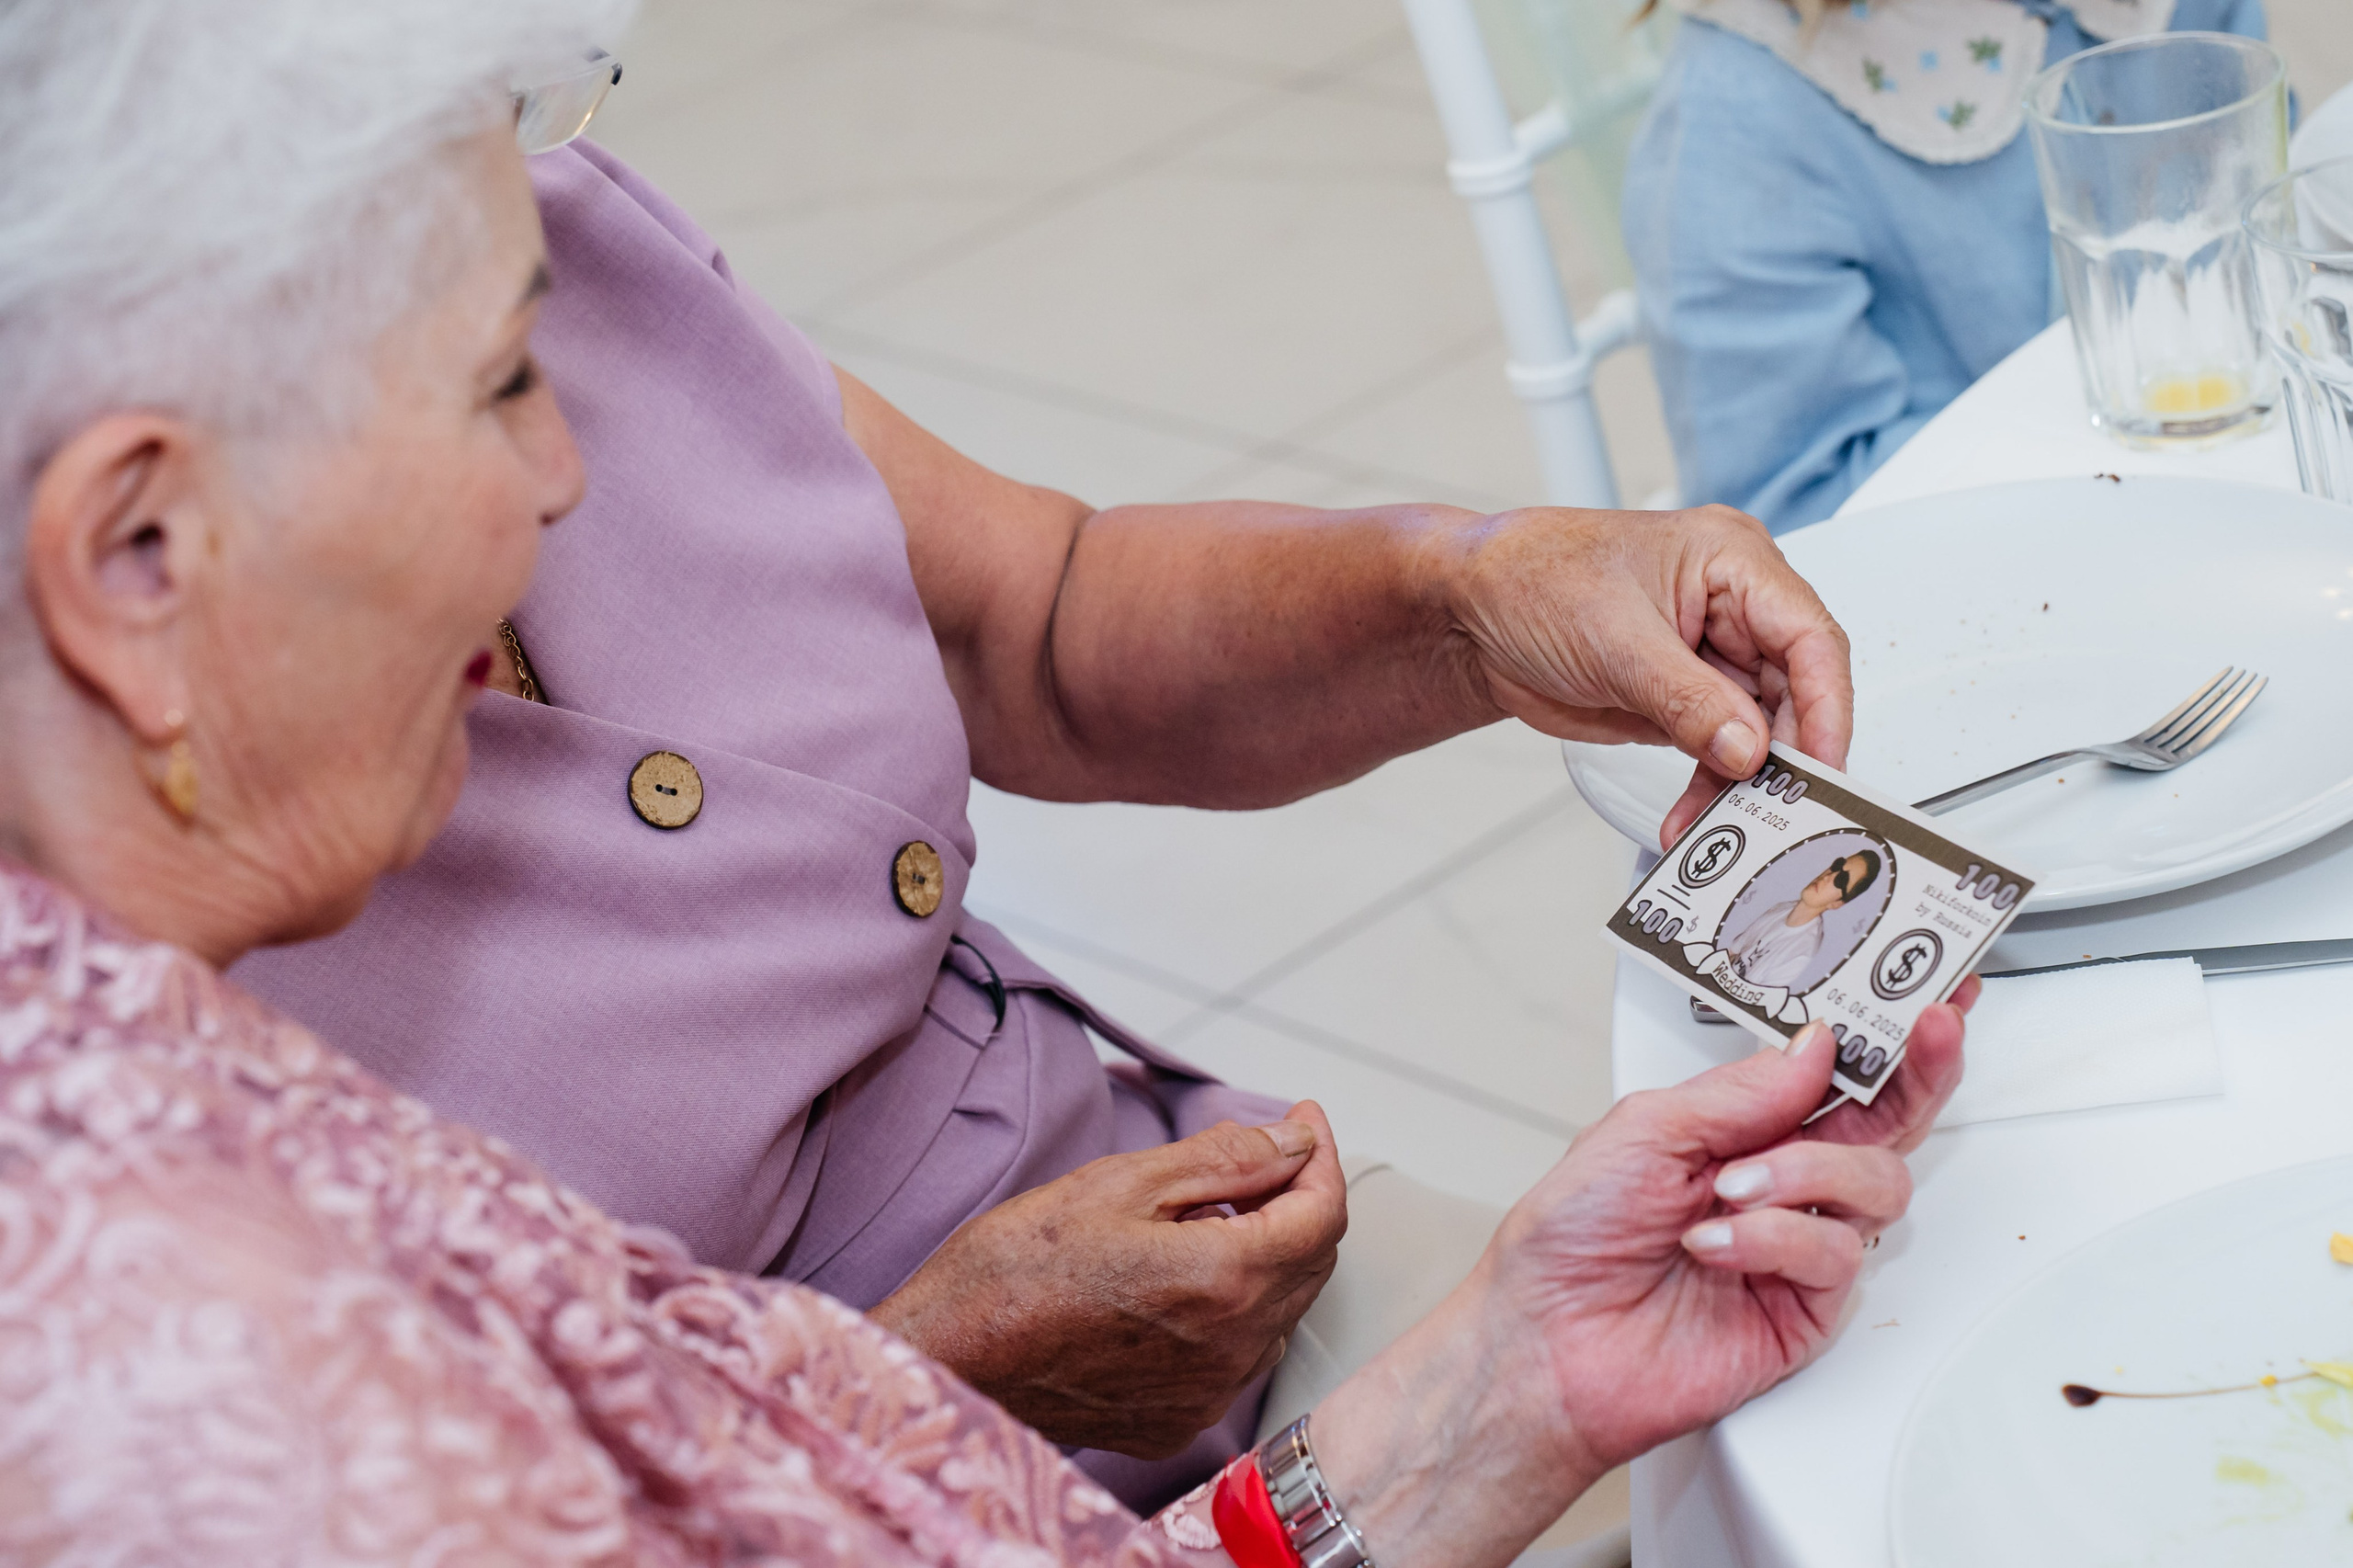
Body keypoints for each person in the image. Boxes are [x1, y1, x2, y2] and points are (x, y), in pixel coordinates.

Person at [0, 1, 1981, 1558]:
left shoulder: (465, 204)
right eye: (503, 386)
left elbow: (1026, 615)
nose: (568, 471)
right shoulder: (199, 1339)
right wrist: (934, 1372)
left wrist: (1474, 590)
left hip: (1203, 1323)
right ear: (140, 556)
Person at [1626, 0, 2271, 531]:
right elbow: (1796, 520)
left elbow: (2269, 220)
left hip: (2241, 474)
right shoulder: (1735, 128)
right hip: (2000, 565)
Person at [1724, 848, 1881, 988]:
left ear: (1837, 904)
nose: (1829, 876)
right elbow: (1732, 951)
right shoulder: (1782, 908)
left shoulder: (1802, 954)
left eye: (1842, 880)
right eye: (1837, 866)